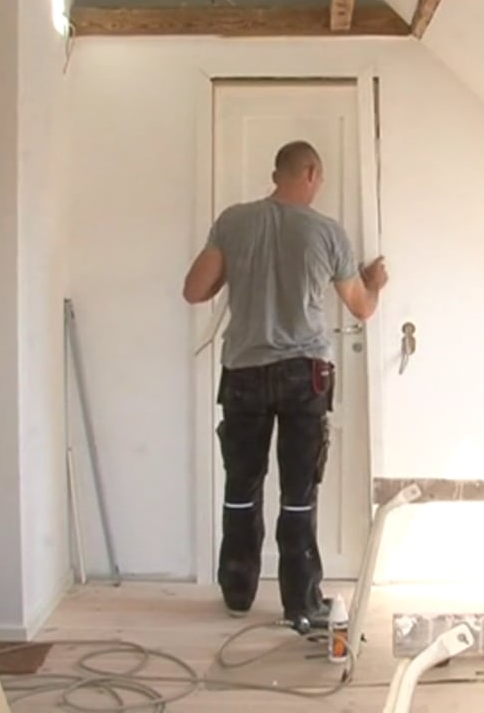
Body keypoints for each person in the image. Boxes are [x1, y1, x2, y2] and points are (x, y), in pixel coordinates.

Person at [182, 140, 388, 631]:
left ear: (278, 174)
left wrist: (238, 272)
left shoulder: (233, 222)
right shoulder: (327, 232)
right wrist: (375, 283)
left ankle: (237, 594)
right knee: (298, 493)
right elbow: (361, 307)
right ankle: (301, 603)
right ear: (310, 172)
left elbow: (195, 290)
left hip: (244, 373)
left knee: (241, 487)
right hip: (304, 374)